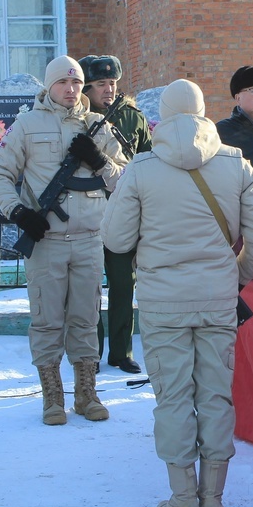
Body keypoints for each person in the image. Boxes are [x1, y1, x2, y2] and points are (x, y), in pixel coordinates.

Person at [102, 79, 253, 507]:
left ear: (163, 115)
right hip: (217, 299)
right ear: (202, 112)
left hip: (163, 303)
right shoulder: (236, 163)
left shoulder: (141, 168)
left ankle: (183, 500)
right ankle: (213, 501)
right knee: (216, 395)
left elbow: (116, 238)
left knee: (174, 398)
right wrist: (235, 275)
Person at [0, 55, 127, 425]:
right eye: (63, 82)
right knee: (46, 319)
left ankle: (86, 394)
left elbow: (126, 181)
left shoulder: (97, 126)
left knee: (86, 319)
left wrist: (99, 160)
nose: (70, 89)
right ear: (49, 86)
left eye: (77, 83)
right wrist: (19, 212)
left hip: (89, 239)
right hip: (46, 240)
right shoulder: (27, 125)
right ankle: (52, 397)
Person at [79, 53, 152, 375]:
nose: (108, 89)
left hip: (124, 212)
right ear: (87, 88)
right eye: (100, 84)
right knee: (89, 288)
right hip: (87, 212)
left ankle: (121, 352)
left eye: (112, 83)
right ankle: (90, 352)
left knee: (123, 284)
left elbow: (148, 160)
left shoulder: (132, 118)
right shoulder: (76, 118)